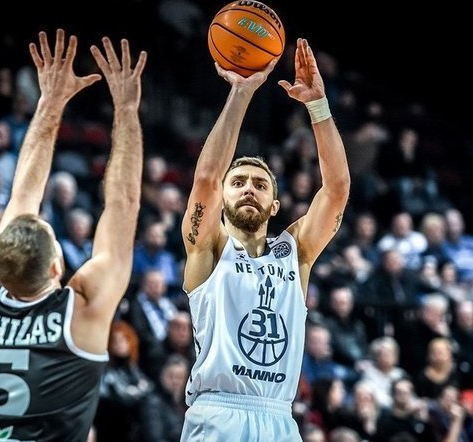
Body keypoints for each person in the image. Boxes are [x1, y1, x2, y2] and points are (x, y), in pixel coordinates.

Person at [0, 29, 147, 441]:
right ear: (58, 266)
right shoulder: (80, 313)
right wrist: (127, 109)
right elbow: (123, 203)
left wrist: (49, 103)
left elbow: (21, 197)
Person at [179, 38, 351, 441]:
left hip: (279, 418)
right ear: (223, 199)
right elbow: (206, 178)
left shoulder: (295, 252)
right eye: (238, 182)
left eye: (259, 184)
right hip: (217, 412)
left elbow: (337, 189)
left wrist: (318, 105)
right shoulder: (210, 246)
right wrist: (241, 91)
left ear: (275, 205)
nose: (248, 189)